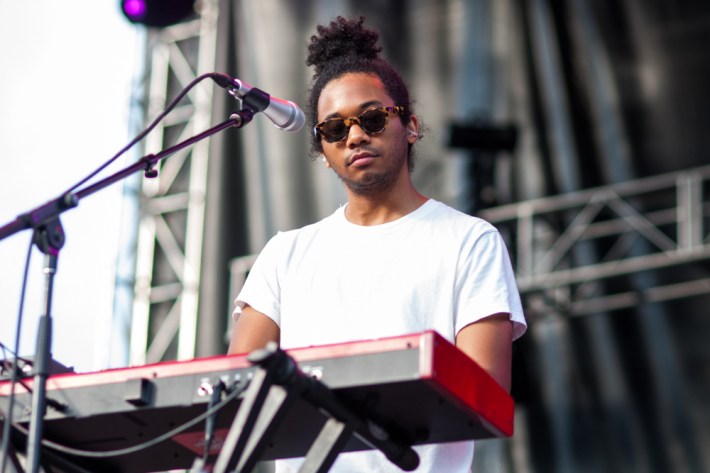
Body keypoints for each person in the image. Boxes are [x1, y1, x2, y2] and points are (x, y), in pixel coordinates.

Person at [228, 15, 527, 473]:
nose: (355, 136)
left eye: (371, 118)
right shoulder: (284, 254)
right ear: (323, 154)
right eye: (334, 129)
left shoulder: (470, 240)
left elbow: (484, 394)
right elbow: (237, 394)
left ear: (411, 125)